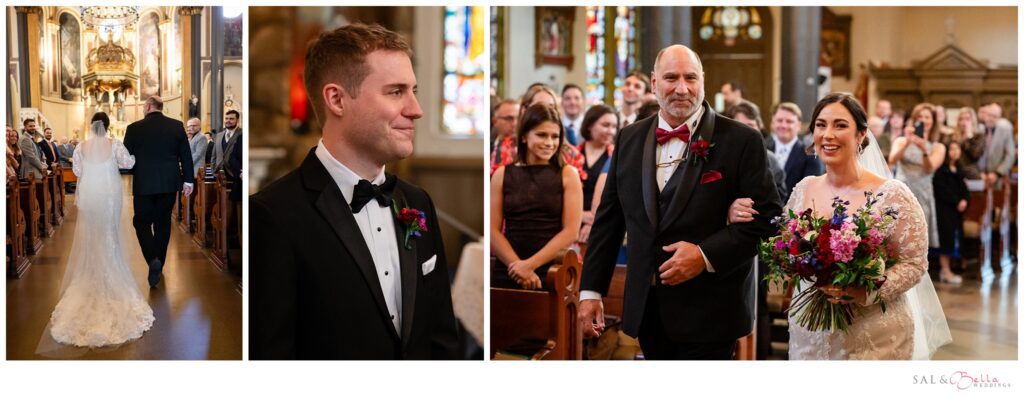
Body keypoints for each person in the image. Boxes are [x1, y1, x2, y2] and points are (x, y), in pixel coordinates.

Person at [249, 23, 458, 359]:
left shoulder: (417, 202)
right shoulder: (273, 215)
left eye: (413, 90)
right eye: (395, 92)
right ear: (336, 99)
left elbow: (441, 337)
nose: (416, 109)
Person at [578, 44, 782, 359]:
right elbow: (609, 220)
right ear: (654, 82)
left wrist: (704, 254)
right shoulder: (630, 138)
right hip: (648, 307)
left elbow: (768, 220)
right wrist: (591, 291)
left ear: (703, 80)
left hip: (712, 309)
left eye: (690, 78)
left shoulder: (741, 140)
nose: (682, 88)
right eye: (671, 78)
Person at [735, 92, 951, 359]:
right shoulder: (804, 189)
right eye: (821, 125)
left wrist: (867, 288)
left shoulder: (893, 194)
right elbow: (785, 245)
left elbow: (914, 264)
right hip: (809, 332)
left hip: (872, 334)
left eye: (840, 125)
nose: (828, 135)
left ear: (861, 135)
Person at [48, 112, 154, 347]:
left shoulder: (81, 147)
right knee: (110, 237)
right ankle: (111, 278)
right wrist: (137, 153)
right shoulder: (115, 144)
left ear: (91, 126)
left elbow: (77, 172)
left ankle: (92, 276)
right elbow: (128, 164)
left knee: (92, 238)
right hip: (109, 197)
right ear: (107, 126)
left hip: (90, 197)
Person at [490, 103, 583, 289]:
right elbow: (492, 230)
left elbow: (571, 231)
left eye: (555, 136)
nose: (549, 143)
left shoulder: (567, 174)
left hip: (551, 269)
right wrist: (517, 266)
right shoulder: (502, 174)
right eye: (542, 135)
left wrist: (529, 265)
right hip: (509, 268)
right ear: (524, 136)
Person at [123, 96, 195, 288]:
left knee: (141, 222)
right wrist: (188, 180)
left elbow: (126, 158)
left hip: (144, 184)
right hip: (169, 182)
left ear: (147, 107)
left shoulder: (134, 128)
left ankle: (152, 259)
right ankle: (159, 264)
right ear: (161, 108)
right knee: (163, 223)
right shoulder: (176, 126)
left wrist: (132, 170)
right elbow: (186, 155)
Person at [889, 103, 945, 249]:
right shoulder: (901, 141)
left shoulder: (938, 147)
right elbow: (892, 160)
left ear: (933, 121)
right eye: (920, 117)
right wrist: (908, 142)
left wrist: (924, 150)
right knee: (898, 237)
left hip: (923, 194)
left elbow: (929, 168)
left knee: (918, 240)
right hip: (902, 192)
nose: (924, 120)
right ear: (914, 120)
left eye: (927, 117)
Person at [576, 104, 618, 244]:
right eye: (605, 125)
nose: (611, 131)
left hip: (602, 225)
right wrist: (579, 215)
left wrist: (592, 221)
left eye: (614, 126)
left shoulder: (616, 158)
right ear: (589, 125)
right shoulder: (572, 155)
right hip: (571, 221)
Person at [765, 102, 823, 202]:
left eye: (789, 121)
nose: (783, 125)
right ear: (772, 123)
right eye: (779, 120)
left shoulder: (810, 154)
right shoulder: (763, 149)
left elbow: (811, 190)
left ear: (799, 125)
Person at [933, 141, 969, 284]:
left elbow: (964, 189)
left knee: (953, 239)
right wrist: (956, 201)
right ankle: (945, 270)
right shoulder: (941, 170)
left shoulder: (959, 170)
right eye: (951, 149)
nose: (954, 152)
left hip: (956, 212)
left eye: (957, 148)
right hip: (945, 210)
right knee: (945, 239)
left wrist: (964, 200)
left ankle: (948, 269)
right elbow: (942, 191)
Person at [489, 99, 519, 174]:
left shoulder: (528, 148)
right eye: (509, 118)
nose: (515, 124)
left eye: (518, 118)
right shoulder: (488, 147)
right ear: (495, 121)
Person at [955, 107, 984, 180]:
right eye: (961, 119)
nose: (964, 122)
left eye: (967, 119)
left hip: (972, 175)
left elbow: (975, 154)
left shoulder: (979, 137)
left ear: (973, 121)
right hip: (955, 174)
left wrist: (969, 137)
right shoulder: (953, 137)